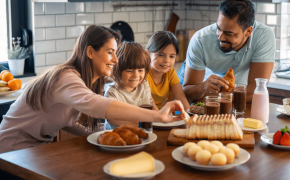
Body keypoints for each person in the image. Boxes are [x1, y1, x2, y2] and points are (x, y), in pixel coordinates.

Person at [0, 25, 185, 154]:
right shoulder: (65, 77)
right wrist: (157, 116)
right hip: (12, 152)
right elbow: (96, 104)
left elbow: (66, 121)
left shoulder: (86, 81)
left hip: (34, 150)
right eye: (110, 52)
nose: (116, 59)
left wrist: (100, 134)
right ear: (90, 52)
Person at [178, 0, 275, 103]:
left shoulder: (263, 36)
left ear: (248, 31)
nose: (221, 37)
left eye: (229, 33)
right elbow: (186, 94)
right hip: (206, 99)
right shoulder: (200, 40)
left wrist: (220, 97)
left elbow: (256, 90)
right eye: (218, 28)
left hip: (232, 101)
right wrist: (201, 88)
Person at [104, 41, 158, 130]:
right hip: (117, 135)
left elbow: (151, 105)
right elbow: (111, 119)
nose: (136, 75)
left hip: (140, 132)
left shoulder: (143, 85)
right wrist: (129, 123)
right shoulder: (113, 93)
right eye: (129, 71)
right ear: (117, 71)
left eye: (140, 70)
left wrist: (160, 117)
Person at [145, 31, 191, 110]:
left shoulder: (170, 72)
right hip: (142, 118)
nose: (167, 60)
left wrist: (192, 119)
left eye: (171, 56)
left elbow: (181, 98)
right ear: (148, 53)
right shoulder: (143, 73)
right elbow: (150, 104)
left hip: (158, 117)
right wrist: (161, 119)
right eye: (161, 55)